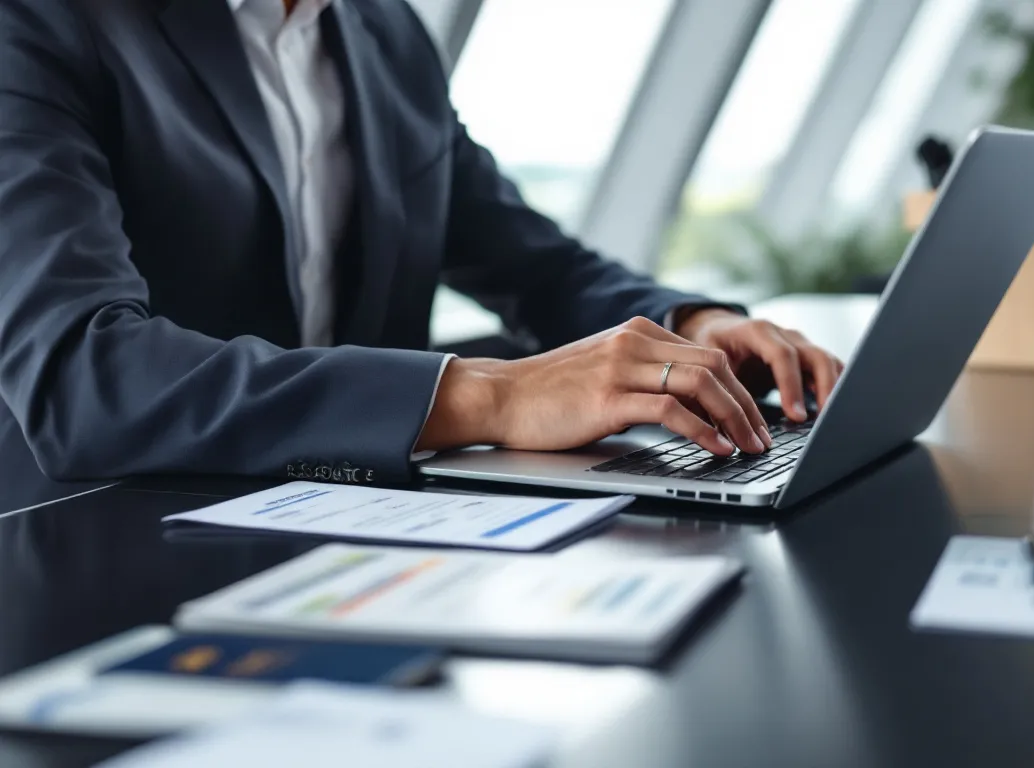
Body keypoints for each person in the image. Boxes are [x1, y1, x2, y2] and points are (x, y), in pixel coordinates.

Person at [0, 0, 843, 485]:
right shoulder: (39, 23)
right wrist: (492, 396)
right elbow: (83, 378)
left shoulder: (382, 33)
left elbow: (527, 260)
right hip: (91, 539)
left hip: (352, 530)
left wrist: (685, 328)